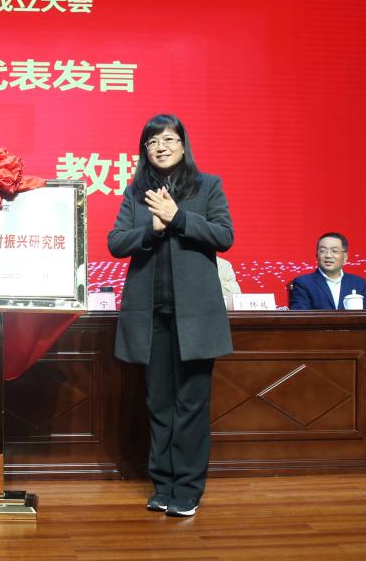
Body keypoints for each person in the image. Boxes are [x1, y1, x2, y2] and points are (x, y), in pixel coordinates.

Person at [108, 114, 233, 518]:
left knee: (191, 404)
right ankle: (163, 485)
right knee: (159, 404)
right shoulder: (136, 192)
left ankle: (188, 489)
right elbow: (116, 242)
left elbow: (224, 236)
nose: (160, 147)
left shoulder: (207, 185)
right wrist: (153, 230)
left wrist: (178, 217)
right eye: (152, 142)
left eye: (168, 139)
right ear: (144, 150)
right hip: (151, 318)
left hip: (195, 319)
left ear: (182, 144)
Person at [289, 233, 366, 310]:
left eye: (334, 251)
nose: (328, 255)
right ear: (317, 255)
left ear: (345, 257)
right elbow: (300, 316)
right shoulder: (303, 283)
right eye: (323, 251)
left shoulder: (358, 283)